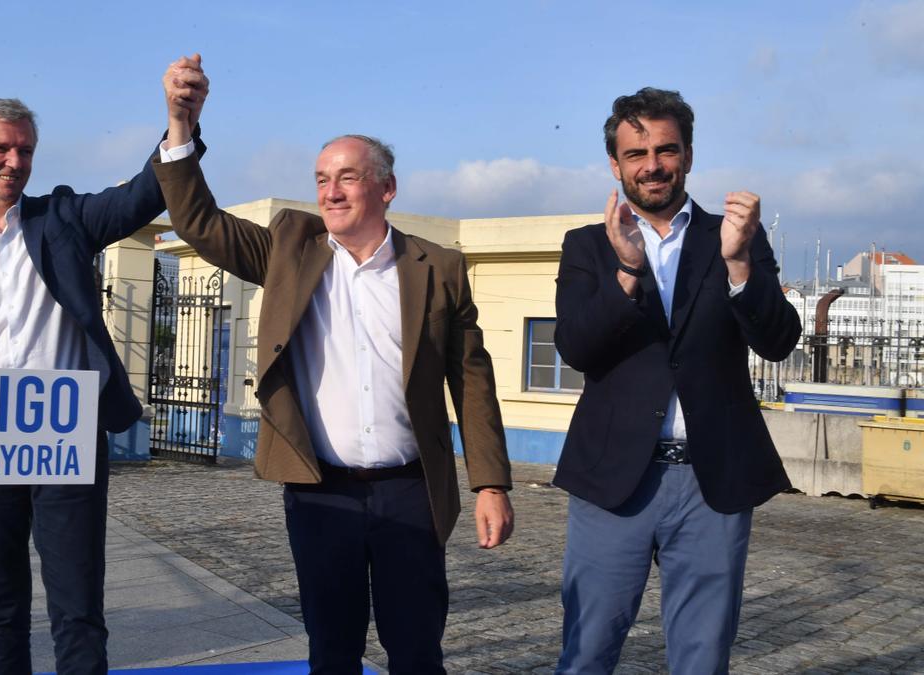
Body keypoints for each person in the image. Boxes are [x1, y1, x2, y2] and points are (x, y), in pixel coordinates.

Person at [155, 55, 514, 674]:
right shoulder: (289, 249)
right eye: (322, 177)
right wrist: (181, 125)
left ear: (386, 188)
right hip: (321, 492)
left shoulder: (439, 268)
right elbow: (200, 223)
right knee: (332, 651)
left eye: (348, 177)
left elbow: (472, 382)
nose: (331, 190)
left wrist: (491, 483)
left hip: (410, 489)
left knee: (417, 649)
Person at [0, 76, 206, 673]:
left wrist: (179, 123)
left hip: (65, 439)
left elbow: (142, 196)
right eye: (1, 149)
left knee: (79, 607)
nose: (15, 162)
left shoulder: (63, 218)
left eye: (26, 150)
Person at [552, 87, 802, 673]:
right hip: (613, 480)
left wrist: (740, 263)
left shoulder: (736, 237)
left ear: (688, 155)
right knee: (587, 650)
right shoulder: (587, 246)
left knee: (702, 656)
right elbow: (577, 348)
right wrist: (628, 270)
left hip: (711, 481)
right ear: (615, 165)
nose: (653, 165)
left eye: (666, 149)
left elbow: (779, 340)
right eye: (636, 154)